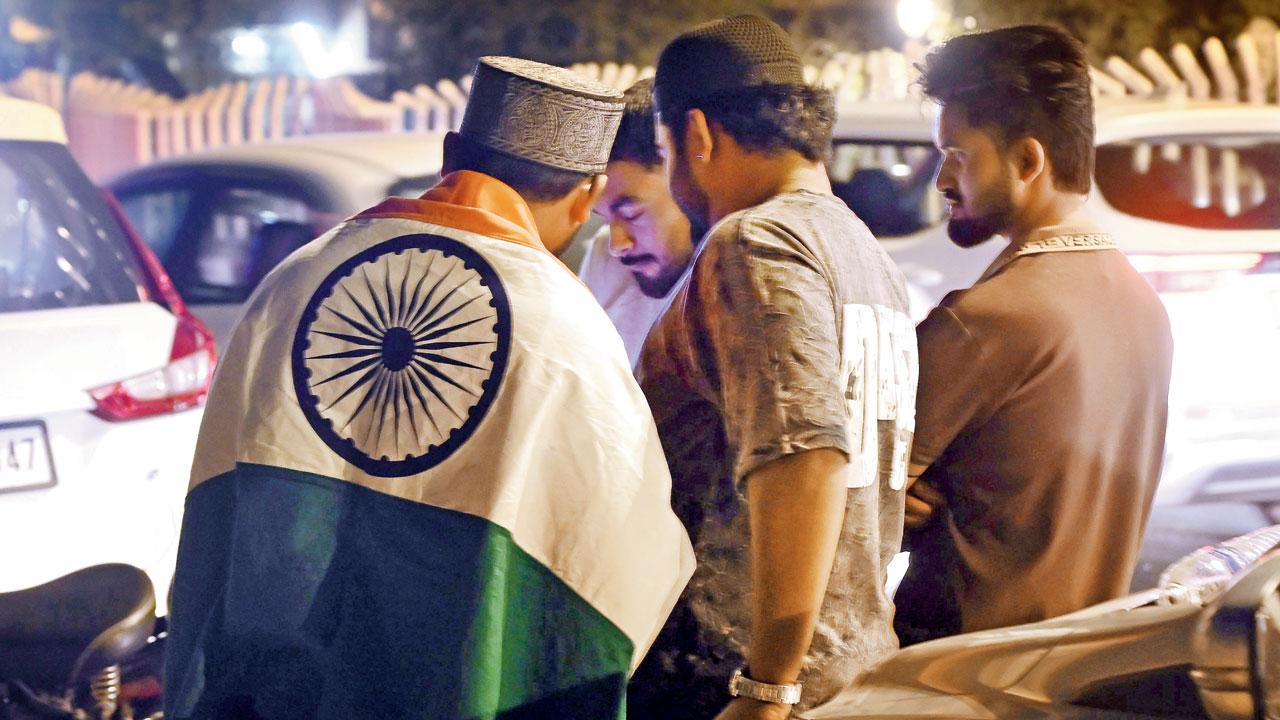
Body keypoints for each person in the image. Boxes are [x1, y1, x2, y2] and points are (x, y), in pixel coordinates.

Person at [163, 56, 694, 720]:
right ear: (587, 195)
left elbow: (220, 501)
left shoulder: (293, 280)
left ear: (449, 155)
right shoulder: (564, 328)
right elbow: (616, 550)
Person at [634, 15, 918, 720]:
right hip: (848, 670)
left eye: (666, 151)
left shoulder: (757, 243)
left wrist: (768, 685)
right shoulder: (863, 250)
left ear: (698, 135)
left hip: (731, 680)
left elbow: (805, 453)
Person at [893, 25, 1174, 646]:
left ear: (1027, 161)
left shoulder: (988, 319)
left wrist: (896, 500)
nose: (942, 181)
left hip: (957, 674)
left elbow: (845, 501)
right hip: (1077, 667)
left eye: (958, 155)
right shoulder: (1144, 305)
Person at [581, 77, 703, 367]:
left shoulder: (743, 274)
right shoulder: (603, 257)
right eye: (605, 219)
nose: (617, 245)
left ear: (689, 179)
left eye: (631, 214)